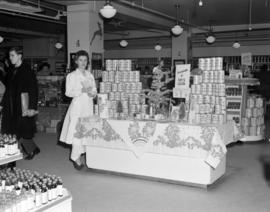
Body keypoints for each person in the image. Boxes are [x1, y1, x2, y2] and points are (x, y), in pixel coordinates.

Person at [60, 50, 97, 170]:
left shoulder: (90, 75)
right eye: (80, 60)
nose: (83, 62)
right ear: (76, 61)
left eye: (85, 60)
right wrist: (81, 91)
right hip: (77, 107)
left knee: (86, 132)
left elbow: (95, 91)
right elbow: (68, 92)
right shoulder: (72, 76)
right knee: (77, 133)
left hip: (88, 106)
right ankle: (75, 157)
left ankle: (84, 155)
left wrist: (92, 93)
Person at [0, 47, 40, 160]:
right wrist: (2, 104)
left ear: (20, 56)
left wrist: (32, 107)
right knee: (13, 129)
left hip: (23, 105)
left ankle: (29, 151)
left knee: (22, 129)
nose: (10, 58)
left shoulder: (27, 70)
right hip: (11, 105)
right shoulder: (11, 70)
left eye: (12, 55)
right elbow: (8, 90)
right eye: (10, 56)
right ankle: (32, 148)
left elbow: (33, 89)